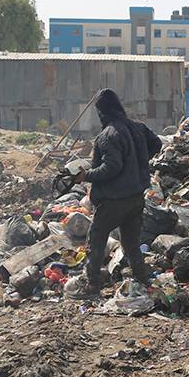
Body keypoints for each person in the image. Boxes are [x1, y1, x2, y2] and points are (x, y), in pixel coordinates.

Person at [75, 88, 163, 299]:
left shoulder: (108, 135)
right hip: (136, 198)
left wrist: (85, 176)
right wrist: (139, 161)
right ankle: (143, 280)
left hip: (114, 200)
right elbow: (157, 143)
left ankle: (92, 285)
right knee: (131, 243)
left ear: (102, 111)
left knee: (96, 238)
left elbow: (111, 168)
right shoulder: (138, 127)